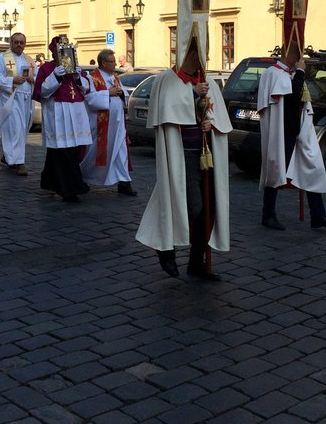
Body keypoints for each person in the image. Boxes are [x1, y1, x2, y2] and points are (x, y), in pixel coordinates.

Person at [136, 45, 232, 279]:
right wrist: (193, 94)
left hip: (206, 153)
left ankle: (196, 262)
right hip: (181, 154)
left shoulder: (206, 80)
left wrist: (211, 124)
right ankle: (164, 245)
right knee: (192, 206)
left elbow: (216, 114)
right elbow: (169, 112)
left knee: (209, 209)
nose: (203, 57)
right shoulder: (167, 80)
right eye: (198, 52)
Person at [257, 44, 326, 231]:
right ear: (289, 53)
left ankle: (318, 215)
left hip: (298, 130)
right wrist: (301, 72)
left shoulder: (291, 74)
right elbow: (293, 96)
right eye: (298, 52)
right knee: (276, 170)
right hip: (281, 132)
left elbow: (301, 99)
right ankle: (268, 214)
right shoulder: (274, 73)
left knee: (312, 168)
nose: (300, 56)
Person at [32, 36, 92, 202]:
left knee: (69, 151)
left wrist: (79, 76)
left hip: (75, 113)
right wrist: (55, 77)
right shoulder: (47, 68)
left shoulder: (74, 67)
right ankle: (69, 188)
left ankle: (52, 181)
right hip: (58, 115)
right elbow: (41, 92)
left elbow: (86, 88)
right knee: (61, 152)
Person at [80, 49, 137, 195]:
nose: (115, 64)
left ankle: (124, 183)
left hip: (117, 124)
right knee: (95, 153)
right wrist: (108, 93)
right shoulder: (92, 78)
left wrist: (120, 93)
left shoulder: (115, 78)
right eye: (112, 62)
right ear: (104, 63)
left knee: (120, 150)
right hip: (101, 125)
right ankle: (84, 177)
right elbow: (89, 99)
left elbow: (123, 94)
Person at [0, 32, 34, 176]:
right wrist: (12, 80)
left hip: (27, 99)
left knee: (22, 130)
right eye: (16, 42)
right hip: (12, 98)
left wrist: (32, 79)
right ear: (11, 43)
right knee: (15, 128)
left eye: (22, 42)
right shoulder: (3, 58)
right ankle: (19, 163)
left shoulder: (29, 60)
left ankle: (9, 156)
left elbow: (37, 77)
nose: (19, 45)